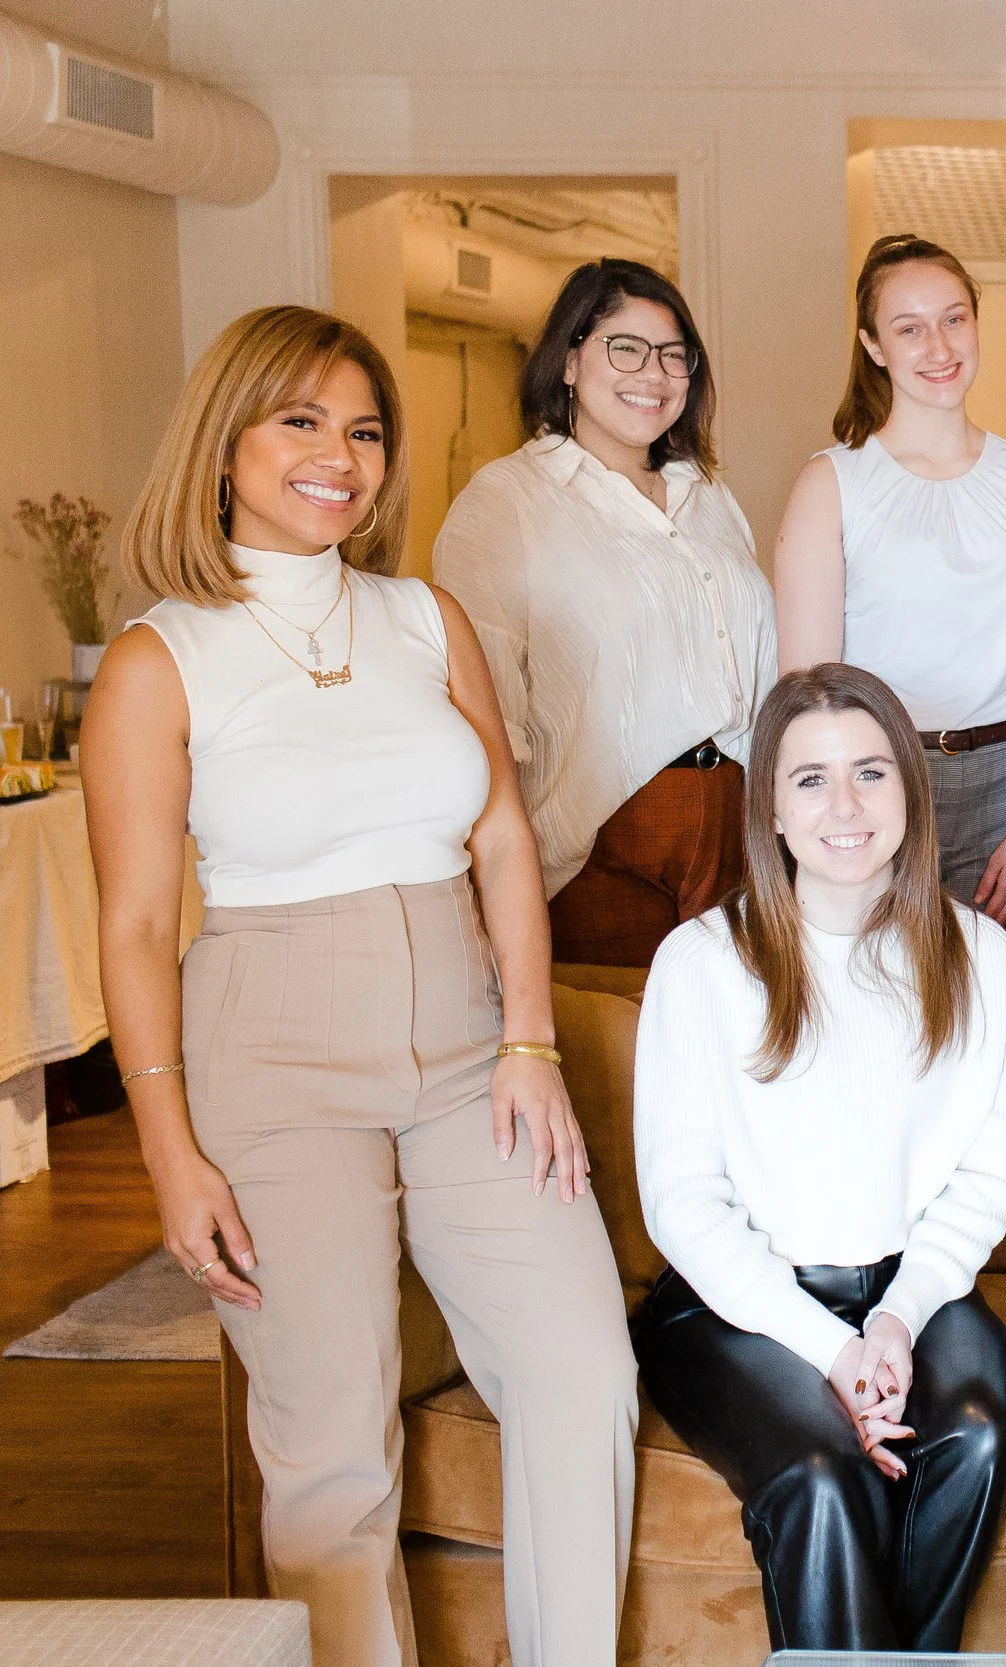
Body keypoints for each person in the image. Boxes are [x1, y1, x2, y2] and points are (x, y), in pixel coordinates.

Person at [85, 305, 637, 1667]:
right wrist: (169, 1151)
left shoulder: (418, 615)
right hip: (269, 1057)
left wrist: (529, 1038)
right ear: (225, 443)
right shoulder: (162, 659)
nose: (342, 456)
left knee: (583, 1373)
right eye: (303, 421)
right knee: (331, 1451)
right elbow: (138, 922)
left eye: (366, 430)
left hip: (470, 1048)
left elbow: (502, 831)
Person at [631, 662, 1006, 1653]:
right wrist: (833, 1350)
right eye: (810, 779)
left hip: (911, 1292)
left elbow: (987, 1171)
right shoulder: (704, 961)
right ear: (768, 804)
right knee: (824, 1474)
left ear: (909, 788)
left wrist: (895, 1320)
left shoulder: (977, 956)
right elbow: (683, 1201)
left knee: (974, 1427)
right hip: (735, 1309)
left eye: (870, 771)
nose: (844, 805)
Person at [434, 257, 776, 968]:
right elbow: (485, 716)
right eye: (626, 347)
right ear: (567, 360)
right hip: (600, 837)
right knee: (618, 1057)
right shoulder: (506, 500)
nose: (653, 374)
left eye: (674, 355)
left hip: (738, 825)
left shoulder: (707, 494)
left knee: (730, 1056)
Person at [774, 234, 1006, 961]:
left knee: (995, 1008)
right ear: (874, 346)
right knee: (879, 1009)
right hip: (875, 785)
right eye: (909, 327)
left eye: (954, 318)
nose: (938, 345)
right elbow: (806, 699)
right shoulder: (832, 484)